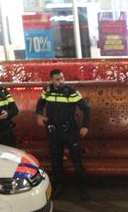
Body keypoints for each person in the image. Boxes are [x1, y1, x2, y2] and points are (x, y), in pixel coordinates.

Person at [36, 68, 91, 200]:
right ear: (51, 80)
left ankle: (83, 190)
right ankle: (59, 187)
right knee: (56, 161)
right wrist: (38, 115)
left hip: (70, 131)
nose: (60, 81)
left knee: (77, 160)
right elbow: (40, 103)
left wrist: (85, 126)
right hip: (54, 131)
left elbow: (86, 109)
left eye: (62, 78)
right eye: (57, 79)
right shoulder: (47, 91)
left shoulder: (71, 92)